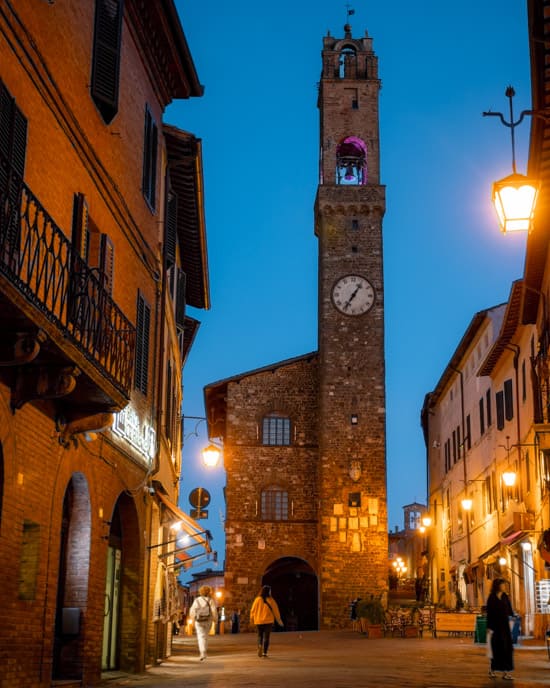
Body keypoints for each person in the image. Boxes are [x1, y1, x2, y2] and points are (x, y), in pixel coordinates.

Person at [486, 578, 514, 680]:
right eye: (502, 585)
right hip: (495, 627)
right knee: (496, 648)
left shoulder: (505, 597)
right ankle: (492, 669)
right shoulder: (491, 598)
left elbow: (510, 610)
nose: (504, 586)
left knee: (507, 649)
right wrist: (489, 627)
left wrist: (513, 618)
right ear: (498, 586)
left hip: (505, 627)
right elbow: (489, 613)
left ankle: (506, 672)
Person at [249, 585, 283, 657]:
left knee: (260, 635)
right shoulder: (271, 600)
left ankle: (260, 645)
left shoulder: (257, 600)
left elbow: (252, 610)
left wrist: (251, 619)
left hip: (259, 621)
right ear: (268, 591)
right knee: (267, 637)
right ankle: (264, 653)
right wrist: (279, 620)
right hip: (268, 621)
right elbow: (275, 610)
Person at [189, 585, 218, 661]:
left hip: (198, 621)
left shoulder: (196, 600)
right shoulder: (210, 600)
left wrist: (193, 619)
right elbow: (214, 611)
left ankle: (202, 653)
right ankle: (204, 652)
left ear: (200, 592)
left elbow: (192, 611)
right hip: (208, 620)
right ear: (208, 592)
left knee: (200, 636)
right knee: (205, 636)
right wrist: (215, 620)